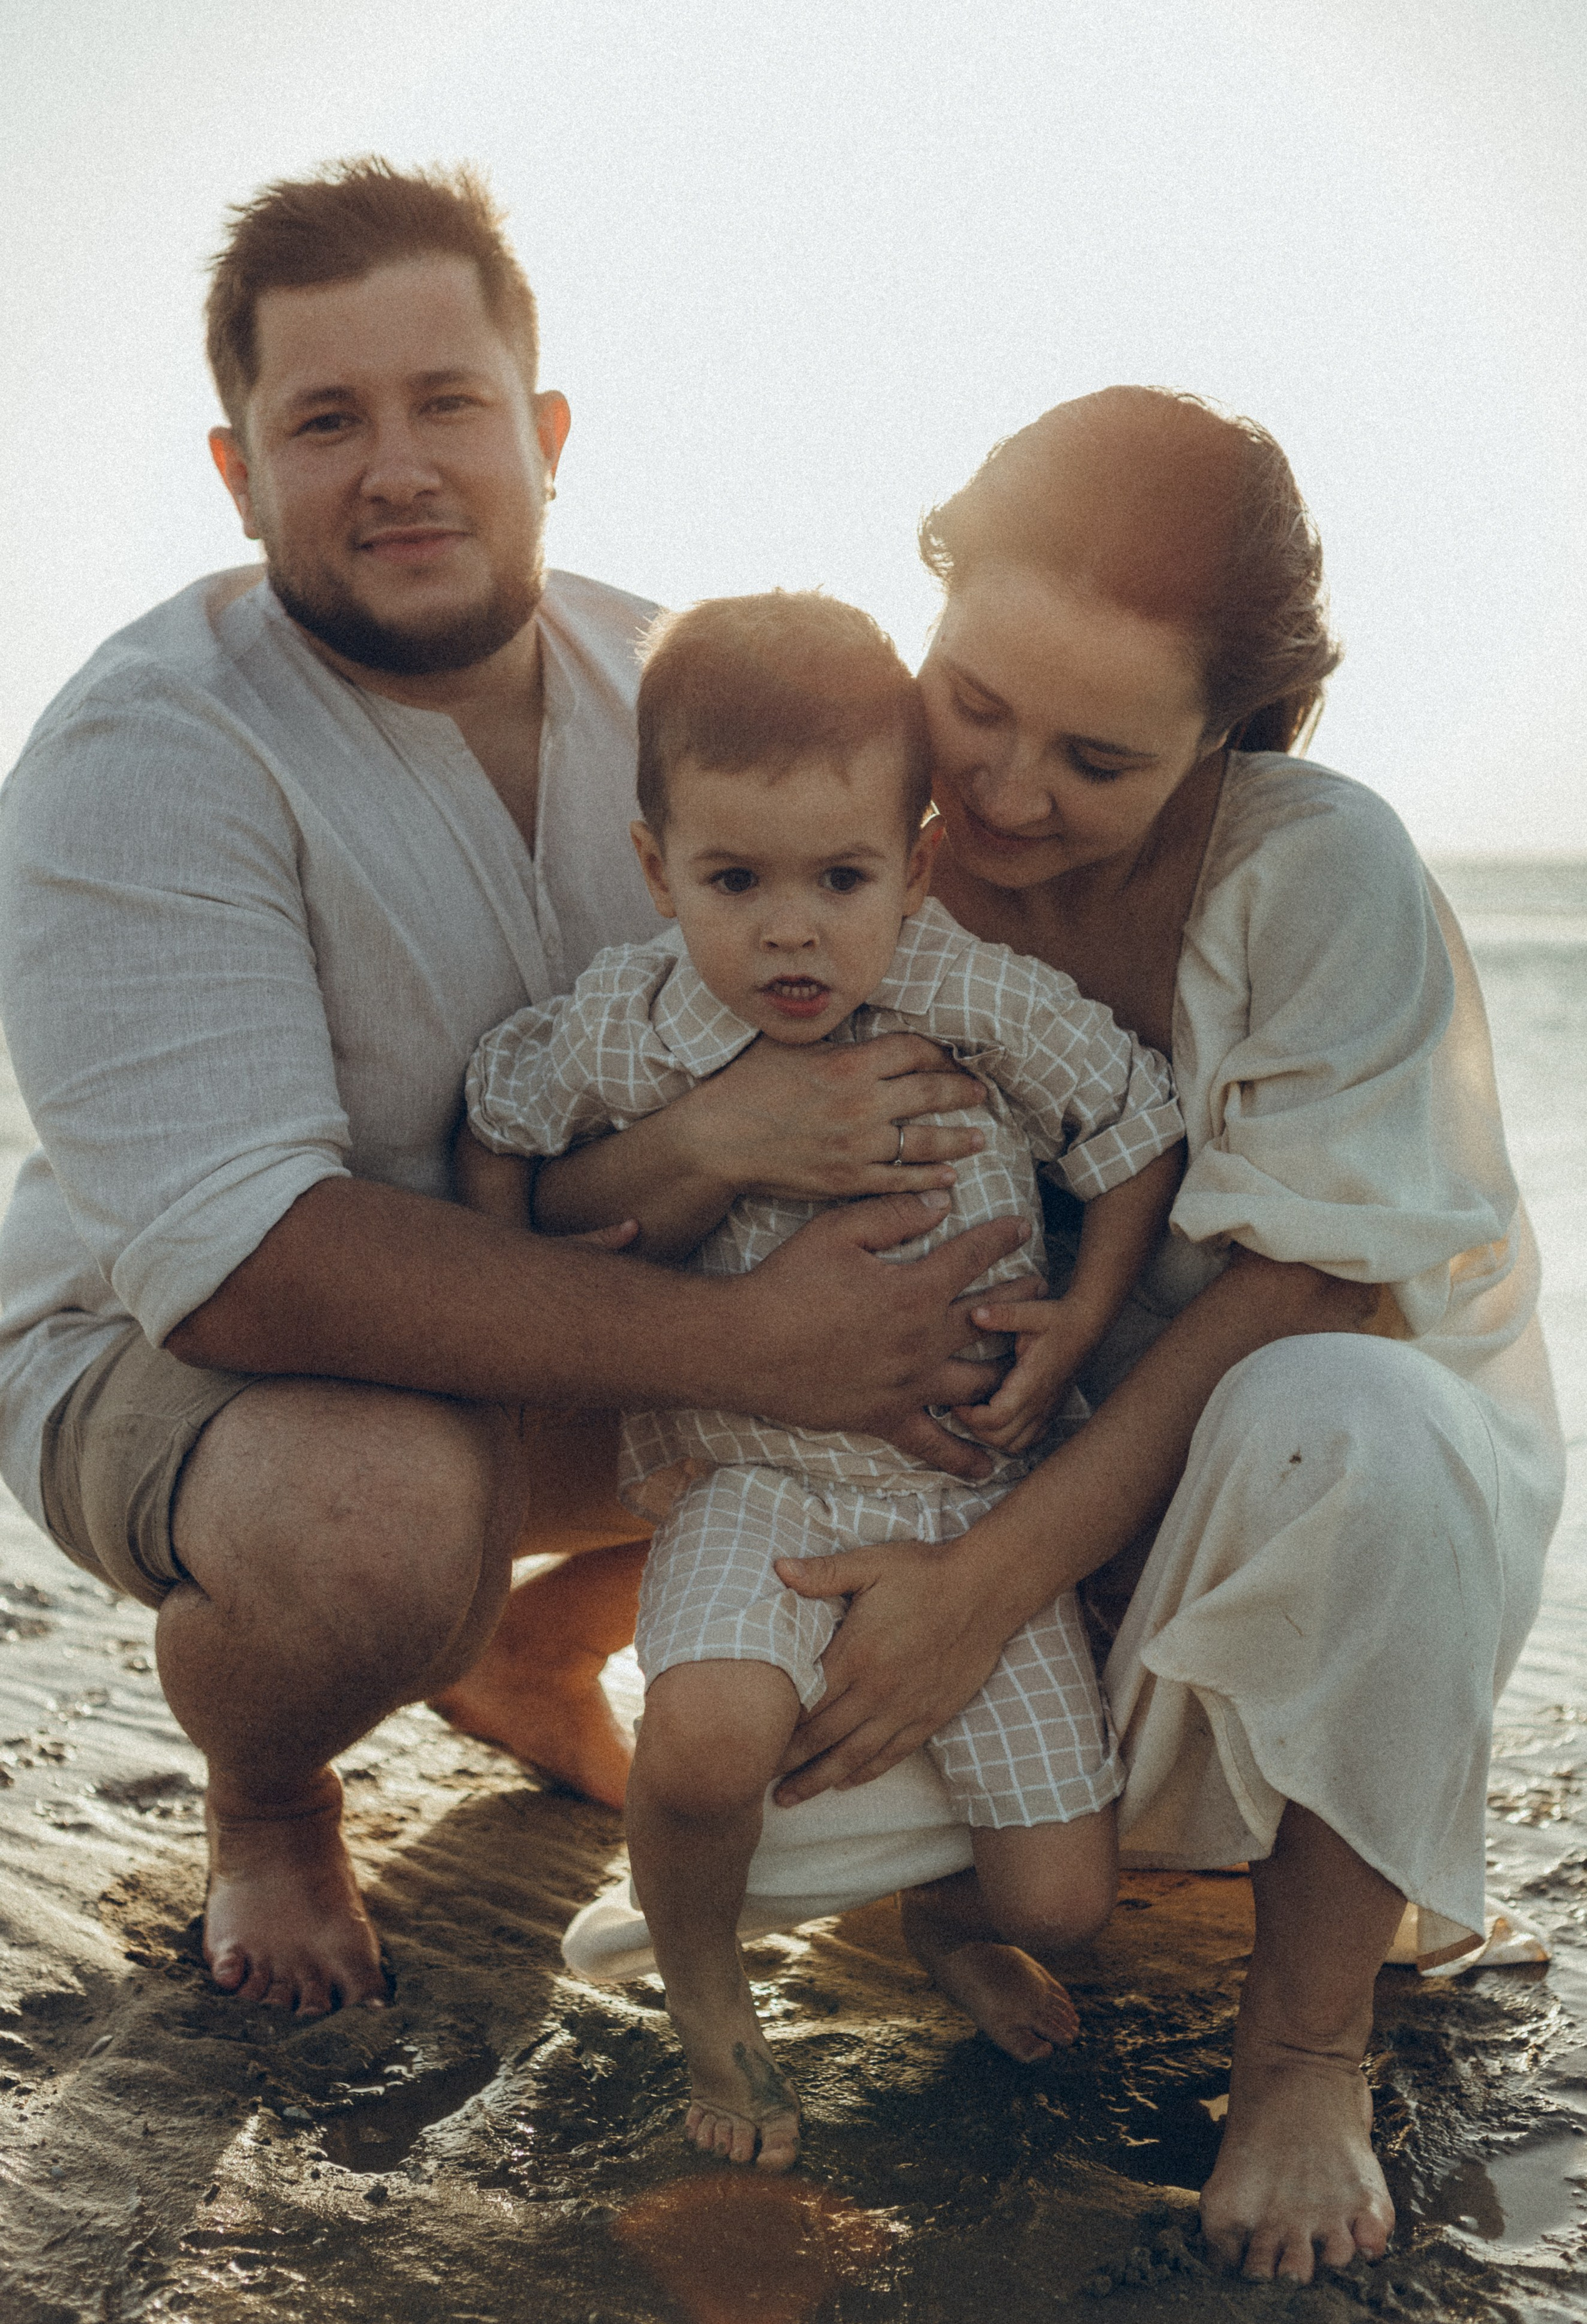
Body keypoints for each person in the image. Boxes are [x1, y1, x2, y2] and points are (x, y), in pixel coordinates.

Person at [0, 159, 1032, 2023]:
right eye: (327, 419)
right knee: (378, 1527)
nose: (398, 465)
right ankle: (272, 1791)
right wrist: (771, 1355)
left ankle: (538, 1652)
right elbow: (246, 1263)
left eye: (447, 403)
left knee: (984, 1305)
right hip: (204, 1368)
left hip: (574, 1323)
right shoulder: (143, 750)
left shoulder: (683, 685)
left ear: (545, 433)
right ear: (239, 473)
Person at [554, 390, 1566, 2280]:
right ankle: (910, 1853)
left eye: (1097, 757)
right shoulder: (848, 848)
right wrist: (705, 1143)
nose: (1008, 792)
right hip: (953, 1533)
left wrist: (990, 1591)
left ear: (1226, 735)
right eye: (981, 703)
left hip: (1264, 1539)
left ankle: (1305, 2050)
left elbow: (1303, 1282)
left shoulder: (1312, 870)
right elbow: (564, 1169)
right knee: (697, 1836)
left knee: (1351, 1412)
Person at [458, 590, 1186, 2167]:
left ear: (914, 864)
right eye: (734, 880)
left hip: (967, 1494)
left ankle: (939, 1923)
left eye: (840, 878)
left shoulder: (962, 990)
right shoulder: (638, 1022)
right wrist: (552, 1290)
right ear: (656, 869)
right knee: (706, 1740)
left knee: (1062, 1899)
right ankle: (712, 1995)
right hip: (751, 1481)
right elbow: (501, 1118)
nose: (790, 929)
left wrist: (1081, 1317)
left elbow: (1134, 1129)